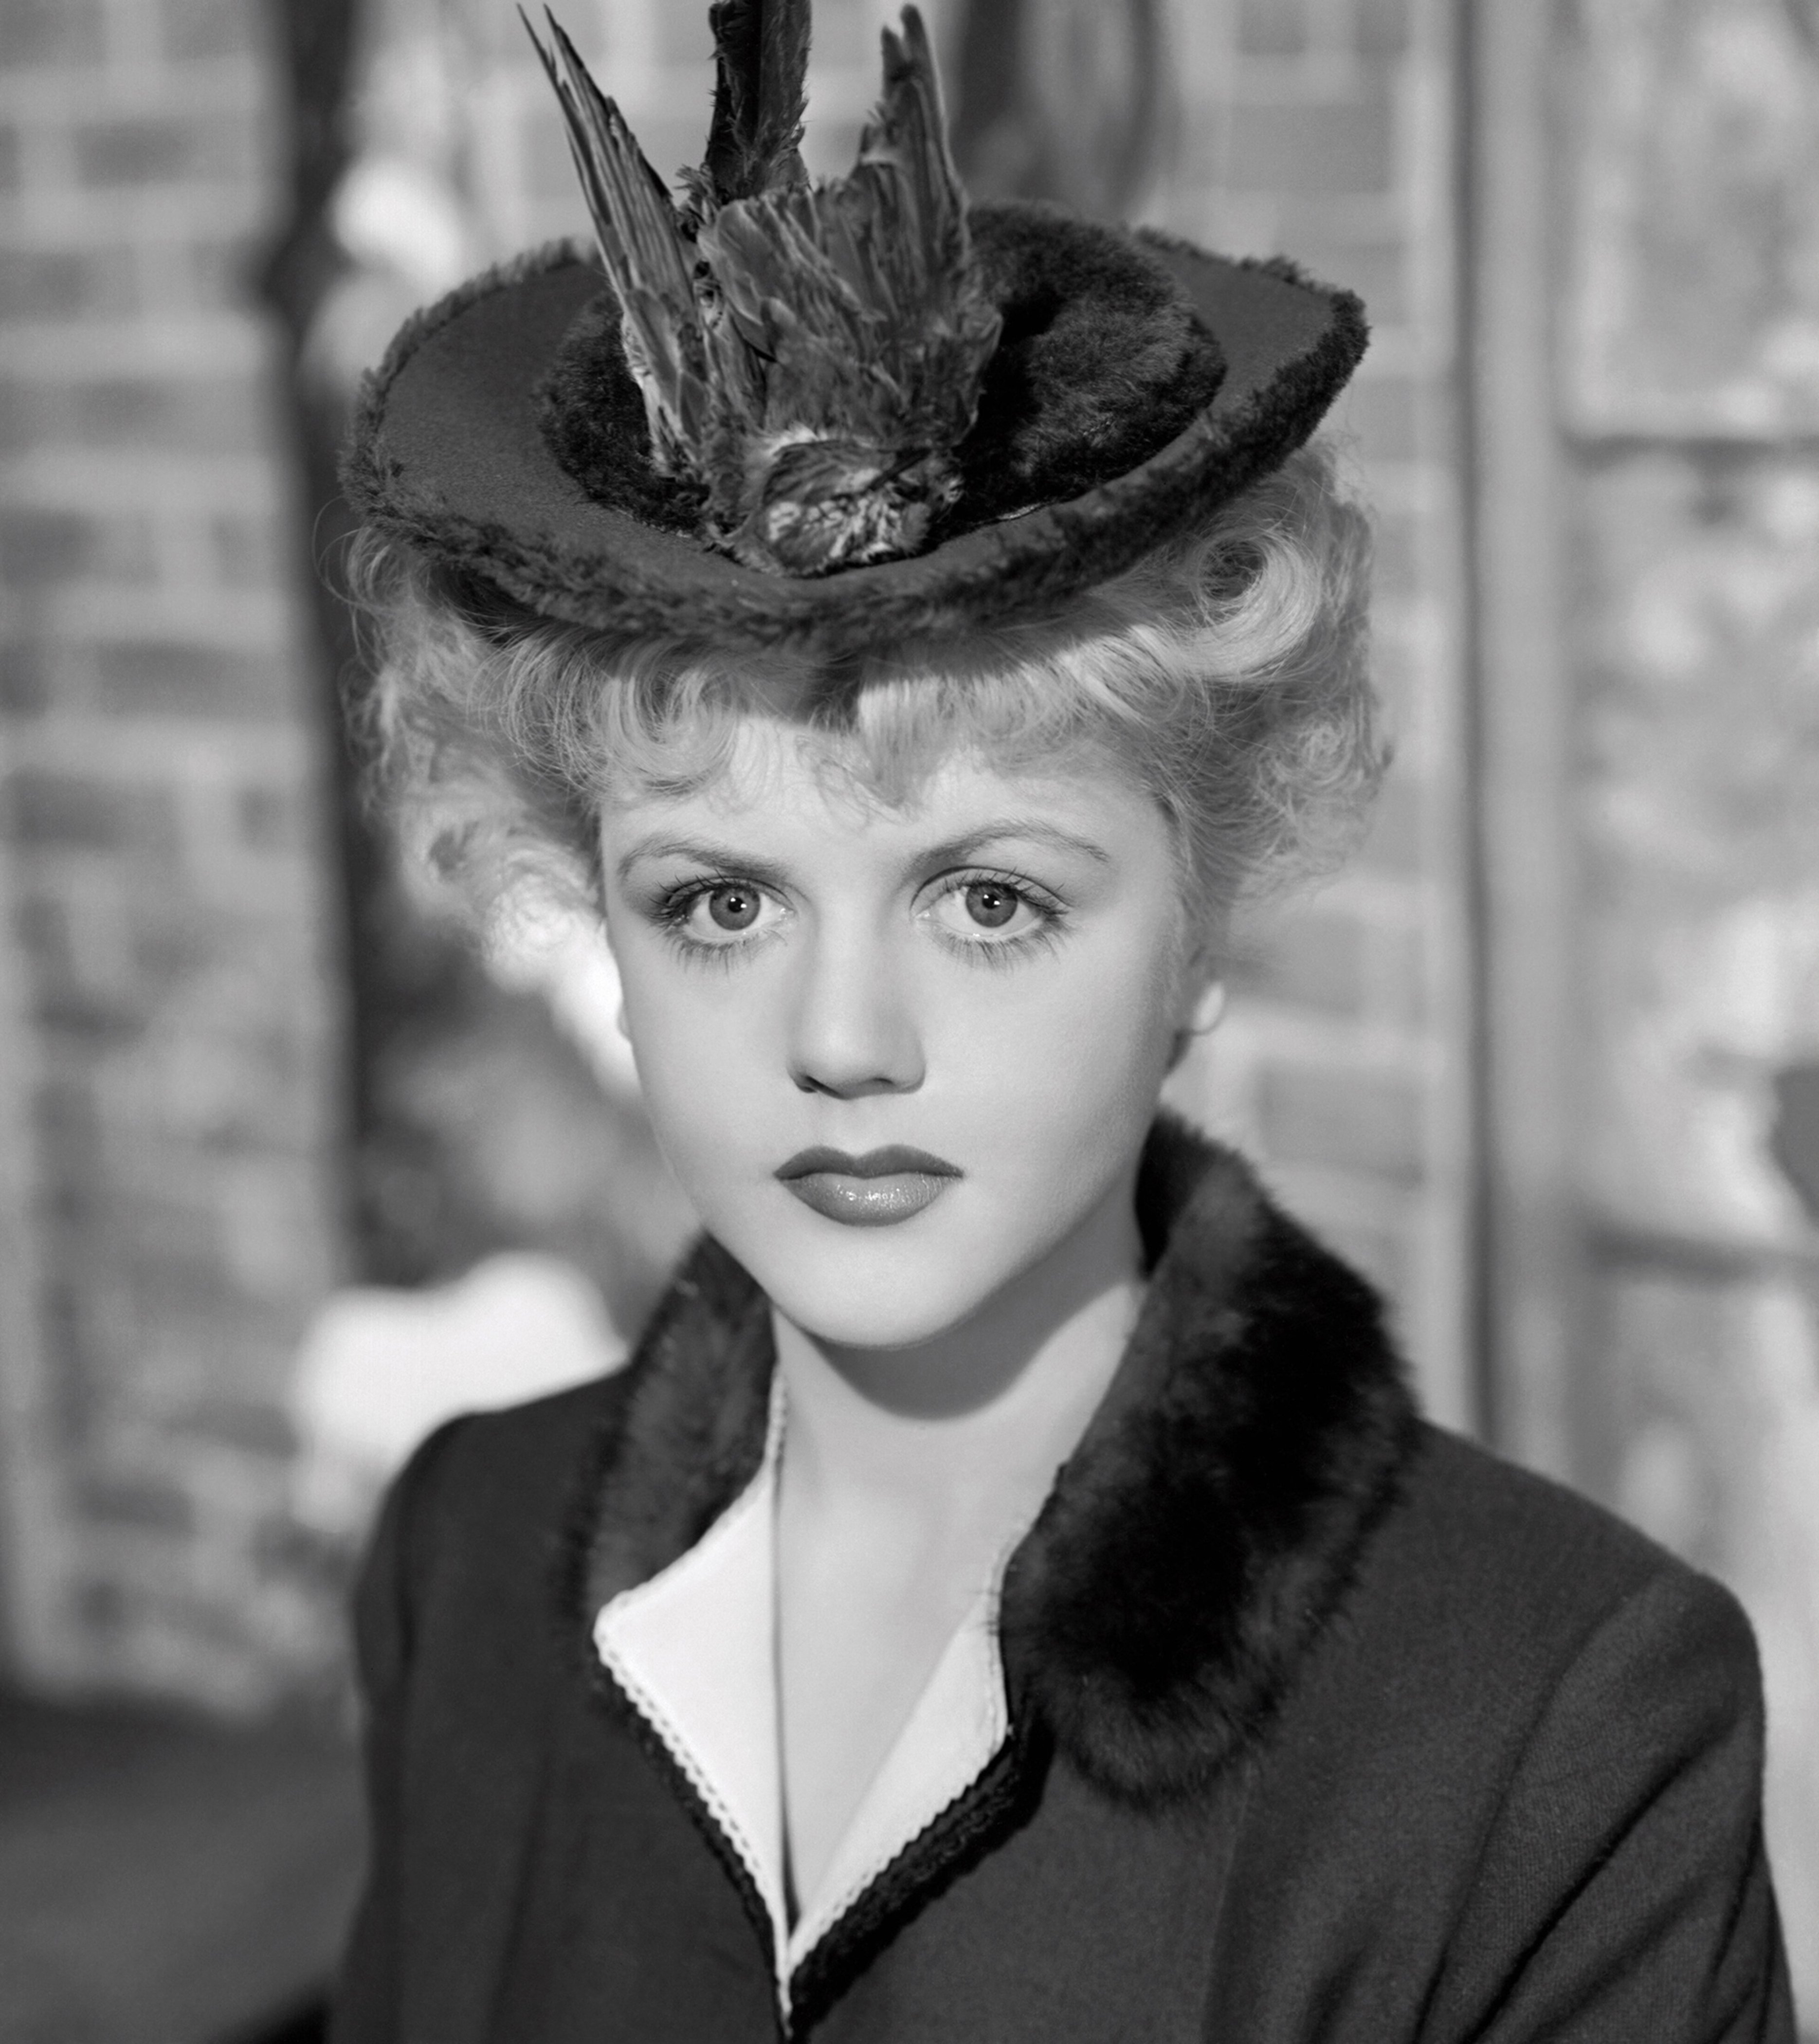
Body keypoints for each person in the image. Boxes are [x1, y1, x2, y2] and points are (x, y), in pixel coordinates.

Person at [327, 5, 1795, 2038]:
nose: (844, 1038)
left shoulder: (1544, 1725)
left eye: (989, 898)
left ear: (1197, 928)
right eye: (721, 902)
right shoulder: (469, 1561)